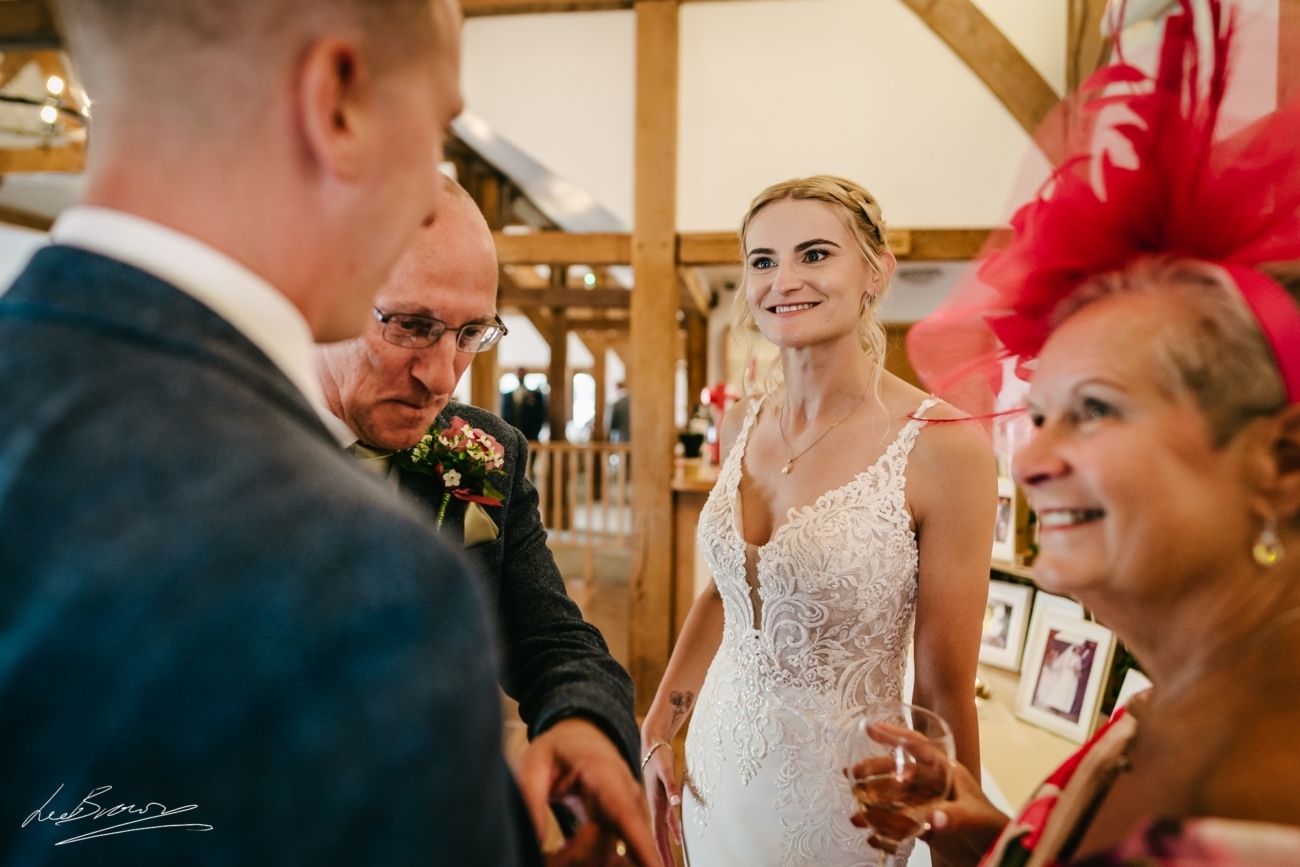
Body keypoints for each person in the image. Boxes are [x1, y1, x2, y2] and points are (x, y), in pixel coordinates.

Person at [0, 0, 605, 864]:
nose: (443, 373)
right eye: (433, 130)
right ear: (338, 104)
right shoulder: (367, 579)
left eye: (471, 334)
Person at [900, 2, 1300, 862]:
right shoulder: (1166, 701)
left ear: (1282, 461)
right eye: (1038, 415)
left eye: (1096, 409)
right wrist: (994, 837)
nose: (1031, 462)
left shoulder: (1259, 808)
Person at [640, 175, 996, 867]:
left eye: (814, 254)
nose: (784, 280)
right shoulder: (741, 421)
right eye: (763, 261)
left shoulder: (944, 447)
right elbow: (730, 591)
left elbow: (944, 688)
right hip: (718, 763)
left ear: (875, 272)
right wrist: (660, 723)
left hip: (843, 800)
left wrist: (961, 847)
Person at [316, 178, 654, 867]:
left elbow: (554, 640)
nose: (444, 377)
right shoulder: (215, 446)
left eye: (471, 333)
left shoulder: (486, 453)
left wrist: (585, 723)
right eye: (412, 326)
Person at [503, 366, 548, 441]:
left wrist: (533, 435)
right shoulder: (508, 395)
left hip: (531, 437)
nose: (520, 375)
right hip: (512, 436)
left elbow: (540, 415)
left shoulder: (536, 395)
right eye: (518, 373)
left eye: (522, 373)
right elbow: (505, 415)